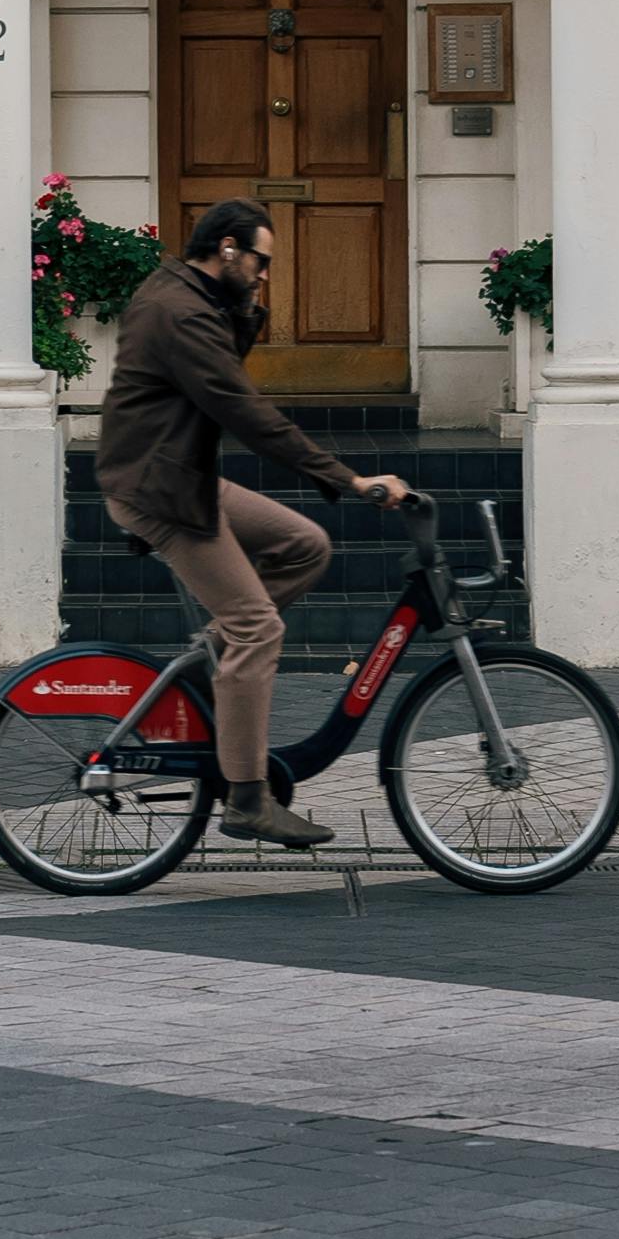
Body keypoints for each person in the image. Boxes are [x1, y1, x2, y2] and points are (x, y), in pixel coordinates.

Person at [93, 199, 410, 849]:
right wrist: (346, 479)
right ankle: (246, 801)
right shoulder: (180, 311)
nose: (266, 274)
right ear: (229, 249)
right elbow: (244, 409)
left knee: (304, 545)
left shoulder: (196, 293)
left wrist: (243, 303)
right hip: (160, 490)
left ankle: (219, 661)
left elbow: (228, 371)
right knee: (258, 627)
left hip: (179, 473)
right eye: (261, 261)